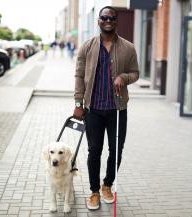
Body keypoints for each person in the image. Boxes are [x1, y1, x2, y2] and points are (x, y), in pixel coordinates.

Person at [73, 6, 139, 210]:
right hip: (93, 109)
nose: (107, 20)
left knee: (117, 150)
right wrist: (78, 103)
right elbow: (79, 75)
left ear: (116, 21)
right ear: (98, 21)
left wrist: (124, 77)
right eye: (104, 17)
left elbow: (135, 73)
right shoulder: (87, 46)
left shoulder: (128, 47)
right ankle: (93, 192)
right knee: (94, 151)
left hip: (117, 109)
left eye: (111, 17)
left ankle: (107, 185)